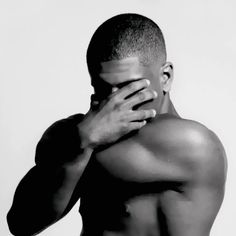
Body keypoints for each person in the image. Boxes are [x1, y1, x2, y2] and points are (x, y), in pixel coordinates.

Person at [7, 13, 227, 236]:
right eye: (103, 90)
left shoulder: (195, 143)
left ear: (165, 77)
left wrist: (79, 140)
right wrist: (83, 139)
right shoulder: (84, 138)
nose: (114, 104)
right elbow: (21, 224)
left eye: (129, 87)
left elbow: (63, 151)